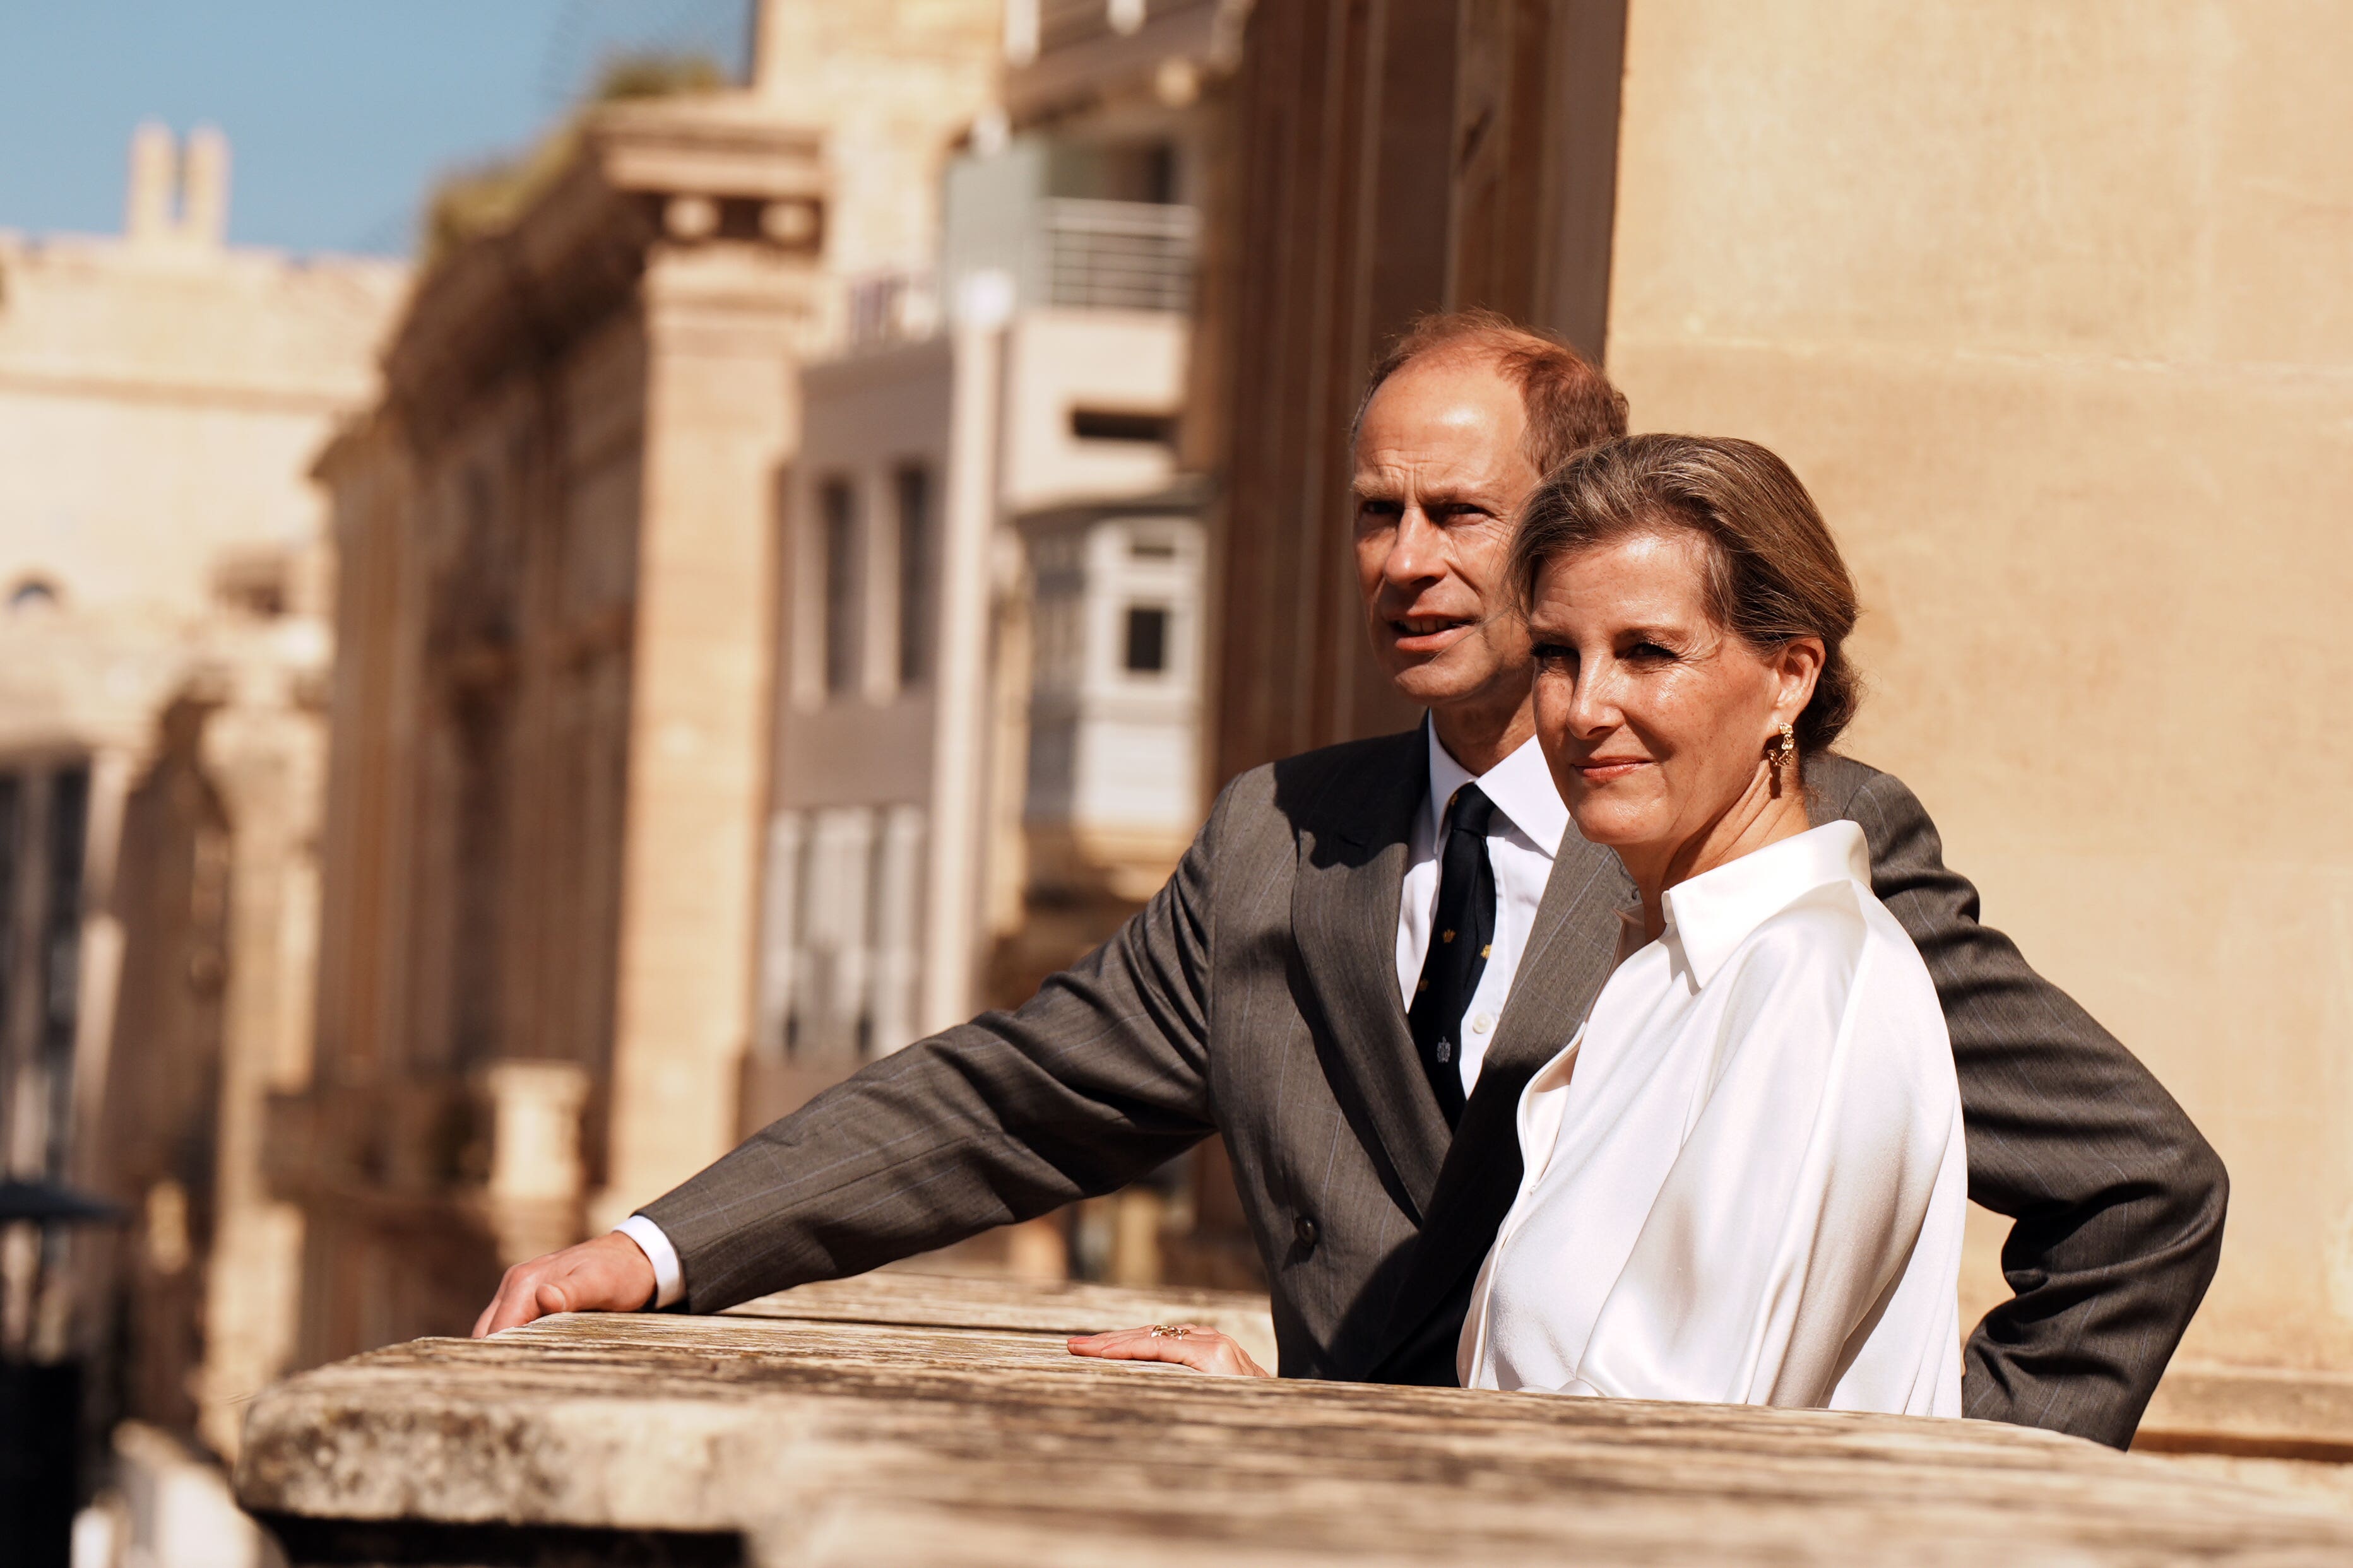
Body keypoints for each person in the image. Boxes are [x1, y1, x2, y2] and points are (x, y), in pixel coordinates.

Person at [472, 312, 2224, 1448]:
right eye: (1373, 513)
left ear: (1569, 525)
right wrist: (662, 1247)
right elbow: (1010, 1100)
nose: (1404, 562)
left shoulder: (1800, 877)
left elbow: (2140, 1191)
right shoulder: (1276, 841)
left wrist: (1964, 1485)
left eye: (1459, 517)